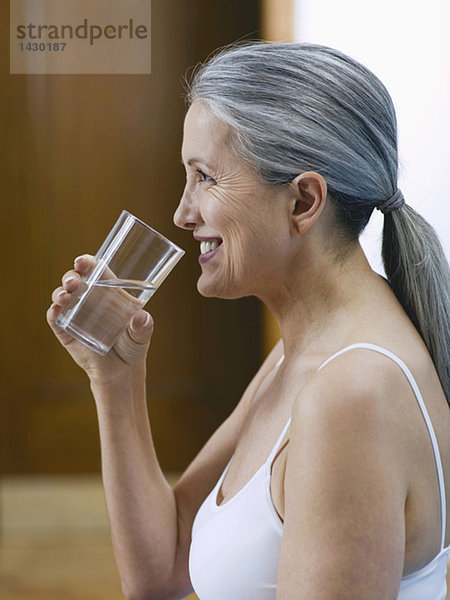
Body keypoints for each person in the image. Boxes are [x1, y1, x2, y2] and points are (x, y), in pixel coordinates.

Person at [47, 42, 450, 600]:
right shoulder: (303, 352)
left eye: (205, 177)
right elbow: (161, 571)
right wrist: (115, 380)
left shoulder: (352, 395)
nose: (182, 213)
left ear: (304, 201)